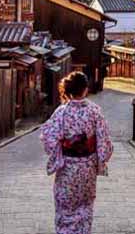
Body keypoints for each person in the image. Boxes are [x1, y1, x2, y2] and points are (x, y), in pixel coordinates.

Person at [40, 72, 113, 234]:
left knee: (65, 207)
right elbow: (104, 142)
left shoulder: (62, 112)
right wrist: (101, 159)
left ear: (68, 90)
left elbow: (48, 138)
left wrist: (59, 152)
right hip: (87, 166)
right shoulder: (95, 111)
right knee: (85, 206)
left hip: (67, 166)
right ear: (85, 90)